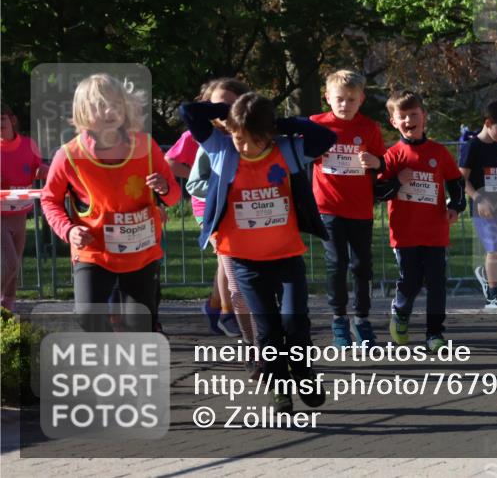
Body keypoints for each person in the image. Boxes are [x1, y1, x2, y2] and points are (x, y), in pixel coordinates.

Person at [180, 92, 335, 413]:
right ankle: (280, 388)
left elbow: (325, 136)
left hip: (286, 254)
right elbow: (189, 112)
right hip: (245, 259)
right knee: (267, 328)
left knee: (295, 322)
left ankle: (303, 374)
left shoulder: (287, 150)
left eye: (253, 140)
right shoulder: (223, 150)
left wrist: (278, 123)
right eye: (239, 137)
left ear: (269, 135)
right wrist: (232, 112)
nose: (244, 146)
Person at [41, 74, 180, 332]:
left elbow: (173, 198)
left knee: (139, 324)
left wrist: (165, 188)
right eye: (100, 105)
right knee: (89, 317)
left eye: (116, 103)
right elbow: (50, 200)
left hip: (140, 252)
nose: (110, 111)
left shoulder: (146, 147)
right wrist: (68, 231)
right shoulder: (68, 155)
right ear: (83, 111)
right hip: (94, 251)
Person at [377, 91, 465, 352]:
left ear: (423, 116)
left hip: (435, 231)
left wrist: (456, 206)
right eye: (401, 116)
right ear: (394, 122)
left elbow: (455, 182)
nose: (408, 120)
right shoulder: (392, 156)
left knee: (437, 283)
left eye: (413, 114)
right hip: (404, 233)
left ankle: (434, 333)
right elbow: (378, 192)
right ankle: (401, 313)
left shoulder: (438, 151)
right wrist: (396, 182)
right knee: (411, 280)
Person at [167, 79, 249, 338]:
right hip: (208, 206)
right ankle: (227, 312)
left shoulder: (245, 135)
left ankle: (214, 307)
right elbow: (171, 162)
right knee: (227, 261)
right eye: (218, 105)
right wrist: (215, 184)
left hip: (239, 205)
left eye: (230, 104)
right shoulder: (196, 135)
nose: (224, 109)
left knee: (225, 262)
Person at [310, 70, 386, 347]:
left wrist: (375, 162)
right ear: (328, 97)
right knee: (336, 263)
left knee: (362, 266)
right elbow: (298, 151)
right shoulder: (316, 125)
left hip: (360, 209)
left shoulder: (369, 128)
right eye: (340, 99)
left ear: (361, 99)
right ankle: (338, 319)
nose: (345, 105)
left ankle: (362, 320)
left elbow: (383, 162)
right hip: (328, 207)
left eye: (351, 100)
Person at [459, 100, 497, 310]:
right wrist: (477, 198)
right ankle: (494, 294)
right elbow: (461, 179)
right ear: (488, 123)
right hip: (483, 208)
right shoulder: (472, 146)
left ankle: (487, 274)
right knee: (494, 250)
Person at [1, 103, 48, 312]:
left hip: (20, 213)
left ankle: (7, 309)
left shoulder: (29, 144)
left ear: (12, 120)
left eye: (1, 118)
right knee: (10, 263)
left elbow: (39, 167)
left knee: (15, 265)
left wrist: (45, 171)